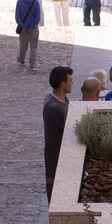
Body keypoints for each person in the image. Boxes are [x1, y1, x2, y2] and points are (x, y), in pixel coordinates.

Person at [44, 66, 74, 202]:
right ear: (63, 84)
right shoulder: (56, 108)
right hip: (56, 153)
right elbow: (69, 128)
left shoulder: (56, 99)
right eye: (70, 80)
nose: (72, 83)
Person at [15, 0, 42, 71]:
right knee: (33, 46)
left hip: (23, 29)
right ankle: (32, 64)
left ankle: (22, 59)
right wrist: (31, 27)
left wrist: (24, 27)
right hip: (33, 29)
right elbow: (37, 17)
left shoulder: (19, 2)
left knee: (23, 45)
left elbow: (17, 17)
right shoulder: (35, 2)